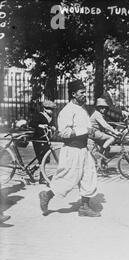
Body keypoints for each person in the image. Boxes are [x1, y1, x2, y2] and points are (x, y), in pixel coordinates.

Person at [38, 79, 100, 217]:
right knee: (68, 178)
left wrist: (91, 133)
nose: (85, 95)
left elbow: (86, 128)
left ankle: (84, 207)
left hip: (83, 150)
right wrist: (85, 130)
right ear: (73, 94)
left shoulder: (82, 109)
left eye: (85, 92)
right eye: (81, 92)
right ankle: (46, 195)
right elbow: (64, 133)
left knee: (89, 176)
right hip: (72, 150)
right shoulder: (67, 110)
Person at [29, 100, 56, 184]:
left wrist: (53, 127)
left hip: (46, 139)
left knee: (46, 159)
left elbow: (52, 125)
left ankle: (33, 170)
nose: (51, 111)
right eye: (49, 109)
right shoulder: (39, 115)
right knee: (41, 158)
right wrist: (39, 125)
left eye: (52, 109)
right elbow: (31, 124)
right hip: (38, 139)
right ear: (44, 109)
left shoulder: (51, 117)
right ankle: (42, 178)